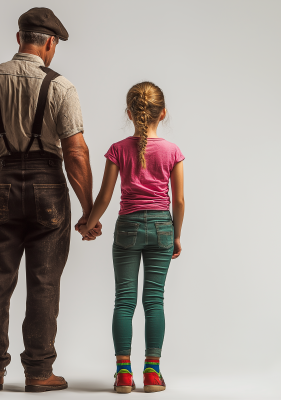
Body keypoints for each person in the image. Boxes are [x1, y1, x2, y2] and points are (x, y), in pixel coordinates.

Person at [0, 7, 102, 393]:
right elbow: (76, 154)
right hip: (48, 189)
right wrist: (89, 209)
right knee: (44, 283)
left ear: (19, 38)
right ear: (50, 43)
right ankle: (39, 373)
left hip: (3, 183)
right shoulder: (61, 87)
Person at [79, 82, 185, 393]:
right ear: (162, 113)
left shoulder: (118, 150)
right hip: (163, 228)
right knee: (154, 302)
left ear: (130, 113)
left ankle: (123, 374)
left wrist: (88, 225)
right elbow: (178, 201)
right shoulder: (172, 151)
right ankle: (152, 373)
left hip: (127, 227)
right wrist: (176, 236)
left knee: (123, 302)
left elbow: (104, 197)